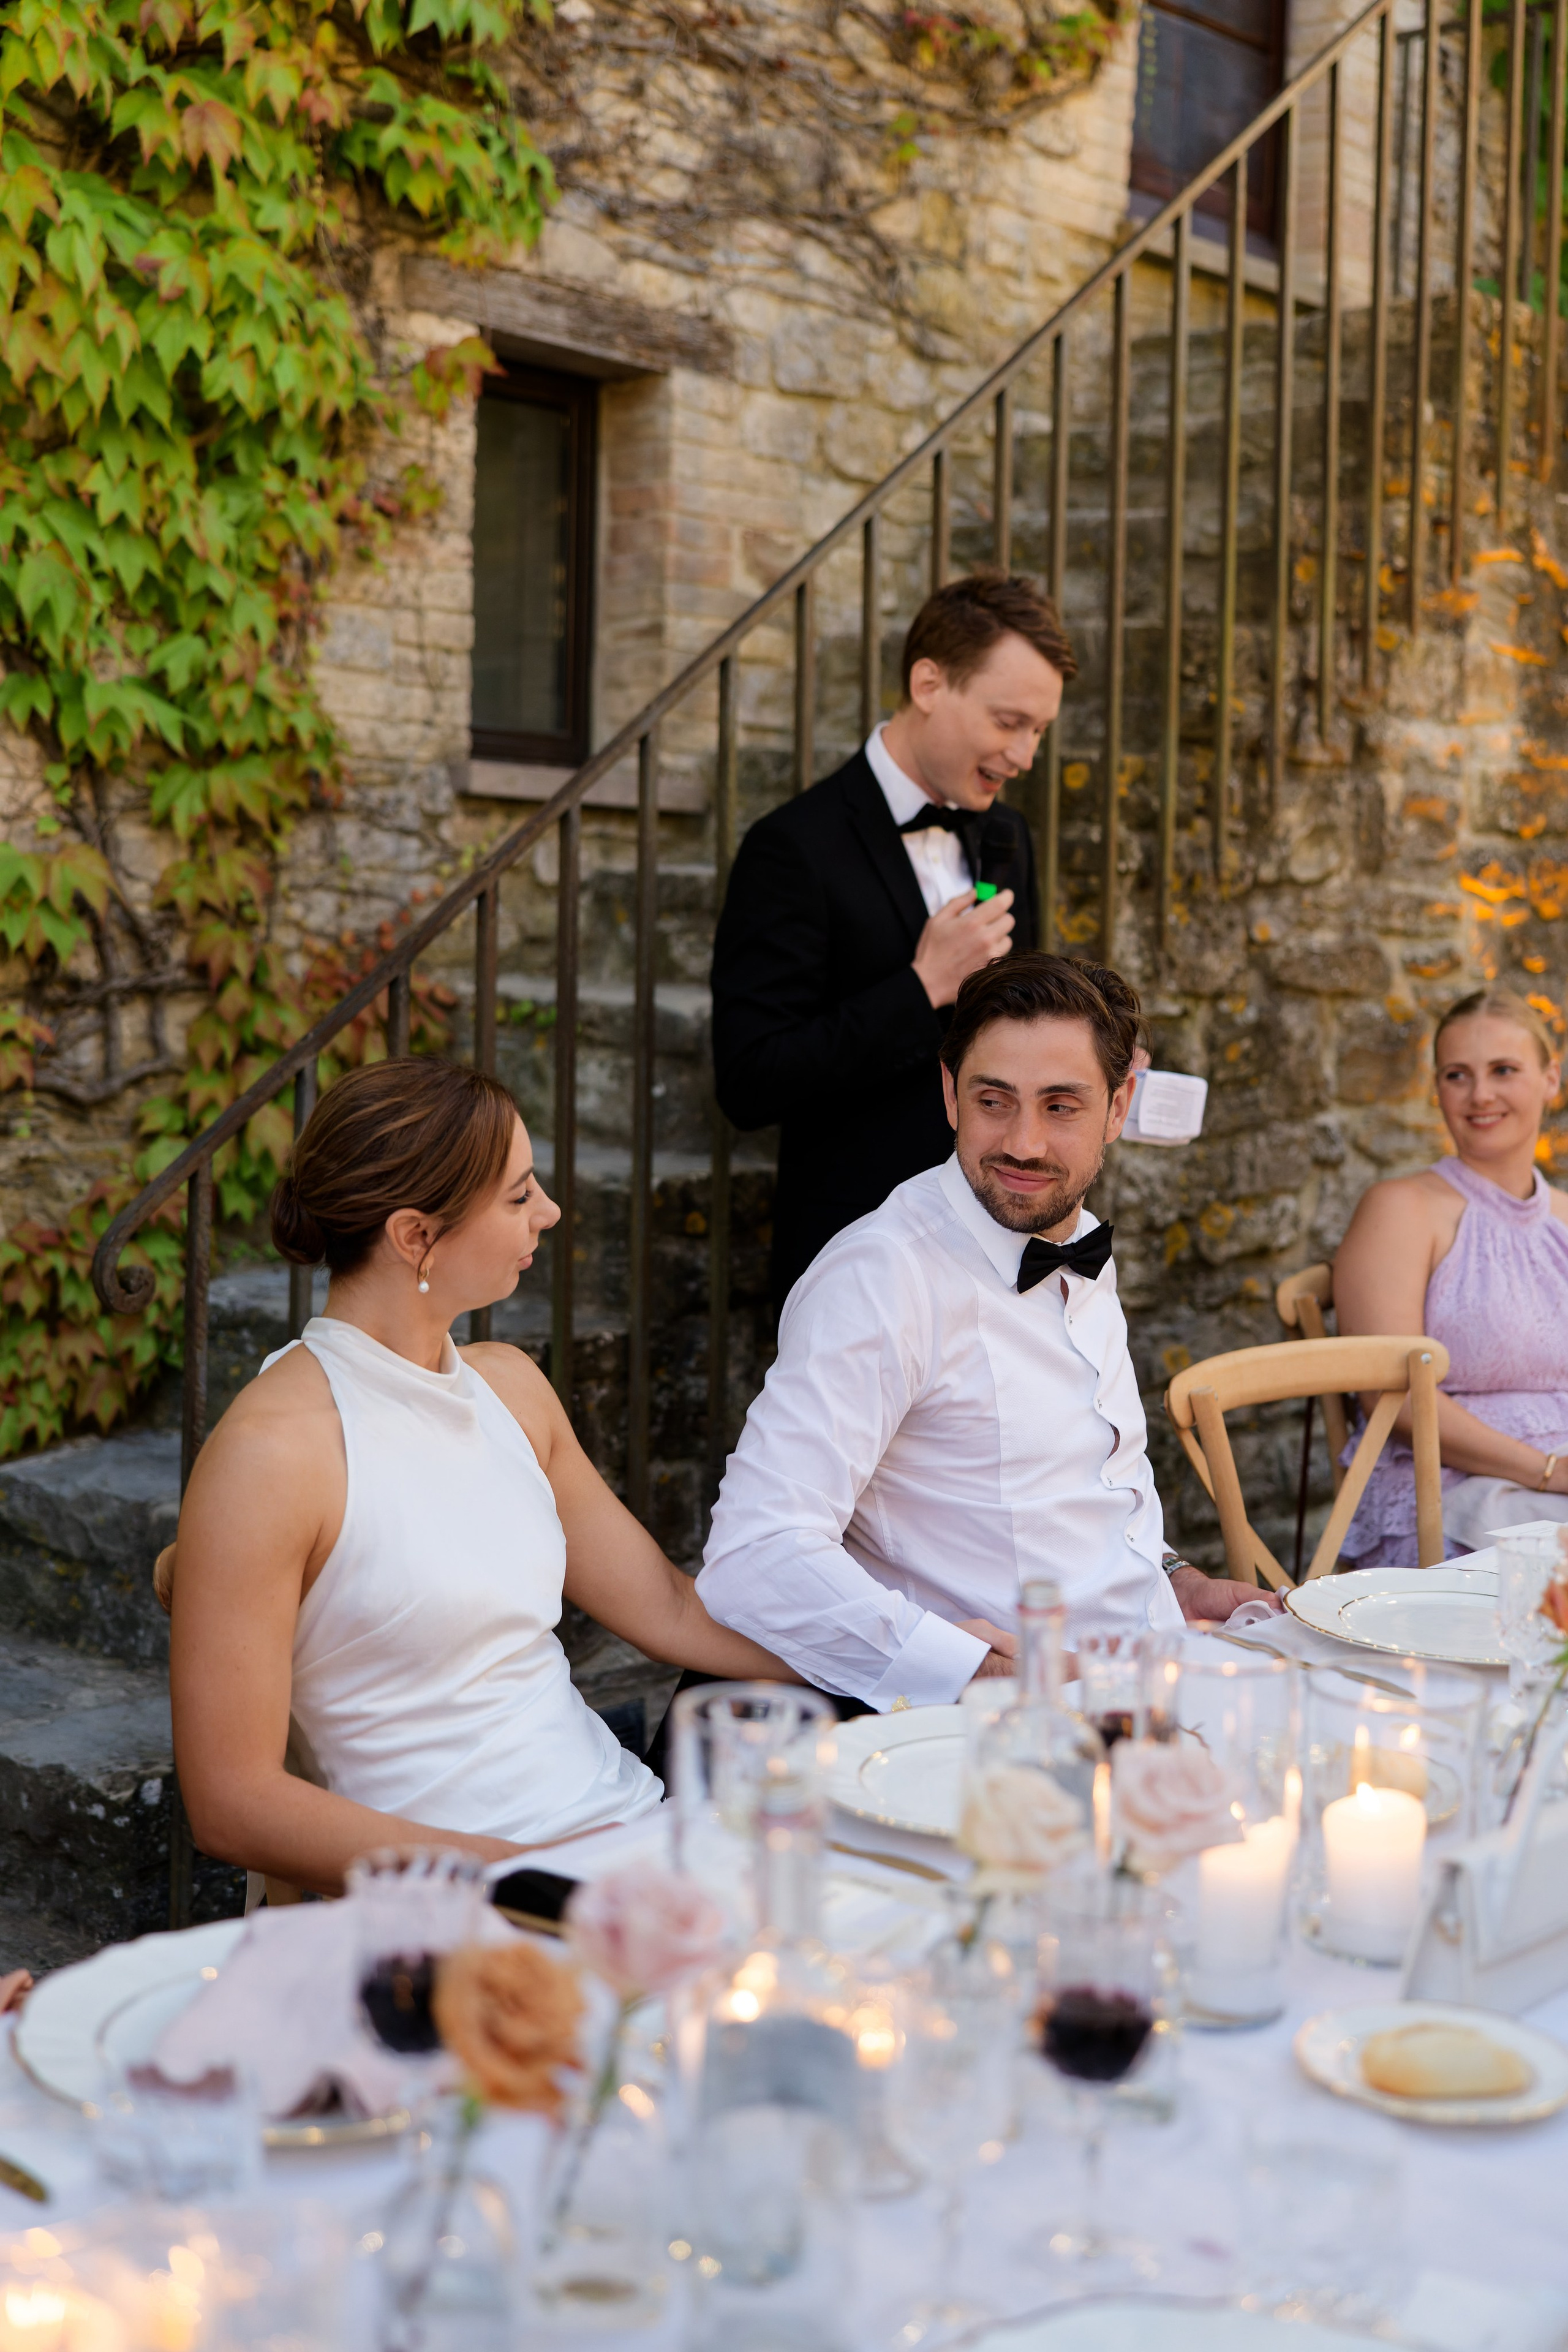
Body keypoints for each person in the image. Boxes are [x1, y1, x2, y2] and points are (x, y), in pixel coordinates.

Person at [169, 1058, 797, 1896]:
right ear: (415, 1237)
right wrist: (527, 1878)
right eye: (518, 1196)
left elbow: (671, 1608)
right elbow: (233, 1804)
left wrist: (911, 1673)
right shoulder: (275, 1455)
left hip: (635, 1830)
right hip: (462, 1898)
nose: (551, 1211)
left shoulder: (511, 1387)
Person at [696, 955, 1268, 1709]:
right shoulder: (882, 1278)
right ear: (949, 1094)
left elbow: (1073, 1492)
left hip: (1165, 1664)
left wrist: (1170, 1576)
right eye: (994, 1100)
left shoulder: (1079, 1238)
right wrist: (963, 1667)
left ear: (1119, 1108)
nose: (1023, 1145)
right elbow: (754, 1555)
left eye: (1061, 1107)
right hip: (1020, 1731)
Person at [712, 569, 1067, 1315]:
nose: (1026, 754)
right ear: (930, 683)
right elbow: (750, 1080)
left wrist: (1087, 1047)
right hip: (859, 1265)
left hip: (998, 1257)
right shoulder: (792, 847)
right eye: (1009, 722)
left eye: (1038, 730)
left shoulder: (1008, 835)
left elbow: (1020, 1022)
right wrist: (919, 989)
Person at [1334, 987, 1568, 1561]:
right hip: (1452, 1496)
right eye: (1457, 1075)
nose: (1480, 1094)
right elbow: (1400, 1405)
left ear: (1551, 1080)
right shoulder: (1401, 1209)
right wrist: (1549, 1471)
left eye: (1504, 1070)